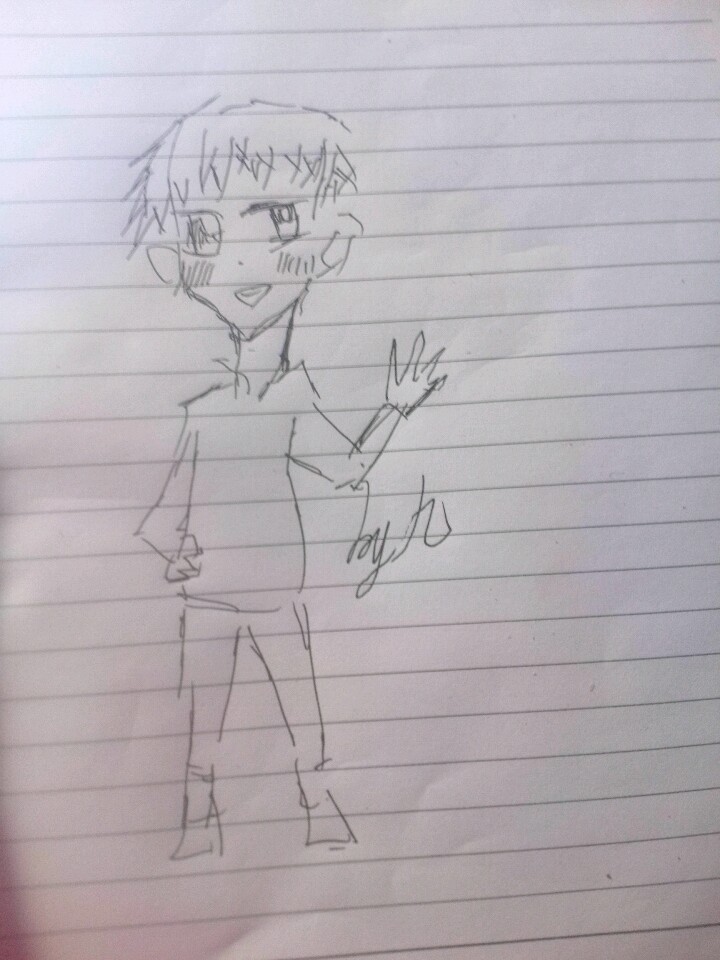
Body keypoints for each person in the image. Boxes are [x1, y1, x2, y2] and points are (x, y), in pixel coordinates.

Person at [125, 97, 447, 860]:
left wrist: (395, 409)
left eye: (276, 221)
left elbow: (348, 468)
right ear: (179, 263)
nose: (241, 262)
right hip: (209, 598)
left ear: (326, 246)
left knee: (303, 708)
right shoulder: (205, 410)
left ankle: (319, 806)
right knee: (205, 715)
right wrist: (175, 555)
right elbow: (164, 517)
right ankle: (199, 820)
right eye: (204, 234)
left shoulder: (295, 395)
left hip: (275, 591)